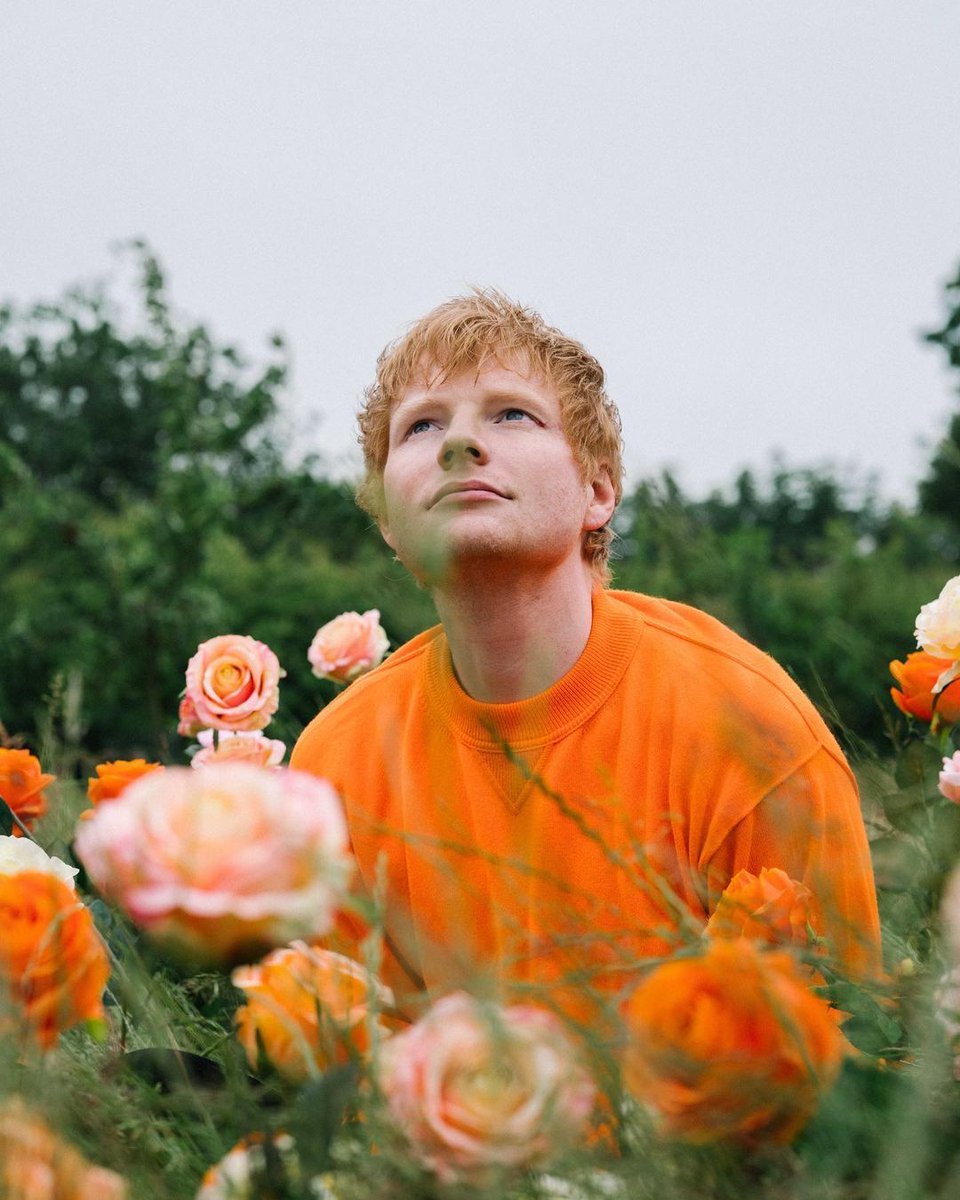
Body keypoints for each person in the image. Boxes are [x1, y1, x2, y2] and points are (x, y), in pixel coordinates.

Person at [291, 290, 881, 1023]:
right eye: (421, 425)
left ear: (597, 491)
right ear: (387, 519)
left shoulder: (751, 730)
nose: (458, 443)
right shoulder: (332, 766)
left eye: (512, 414)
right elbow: (347, 1067)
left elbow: (848, 1052)